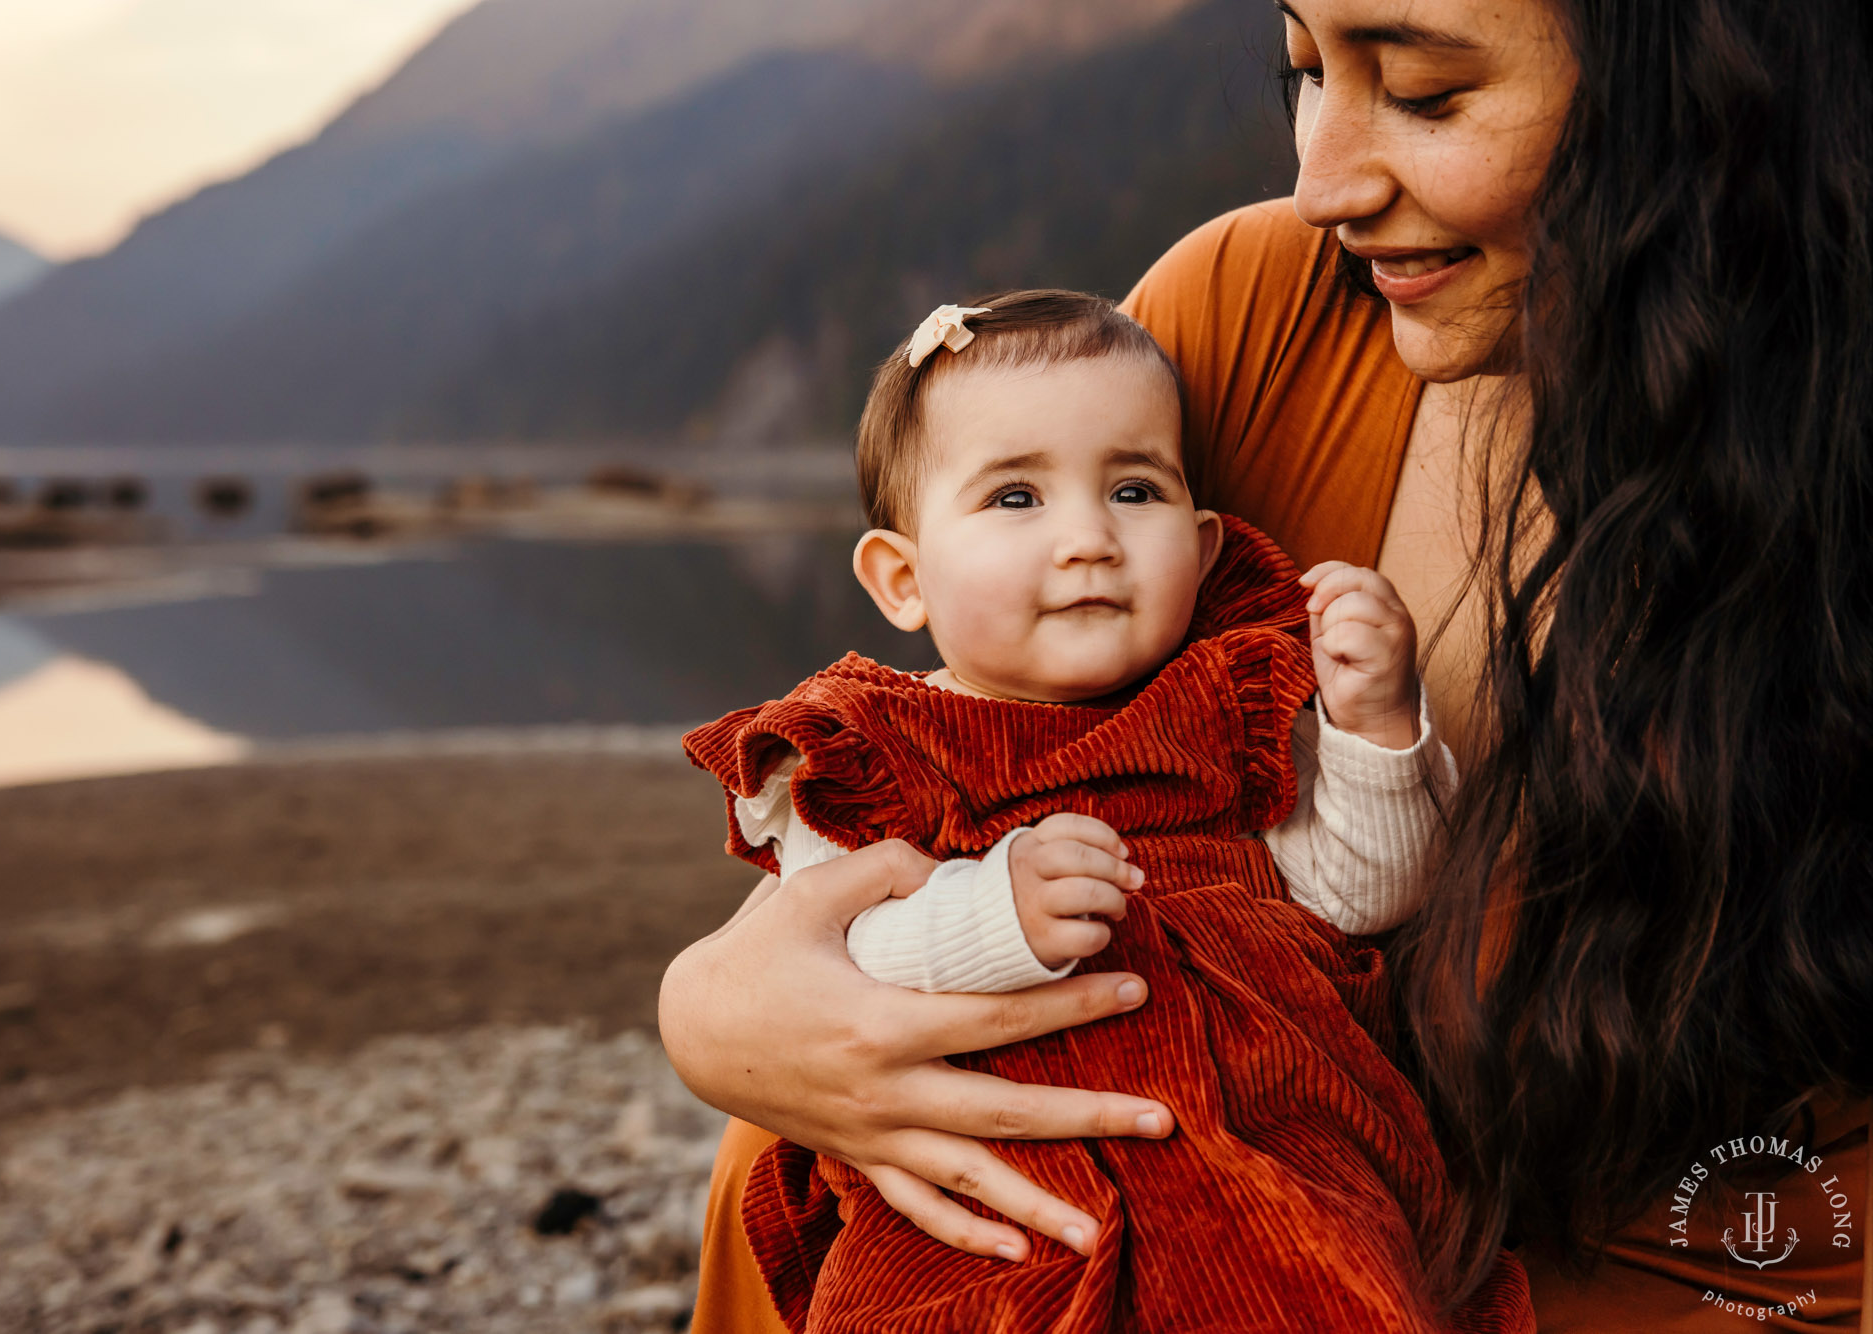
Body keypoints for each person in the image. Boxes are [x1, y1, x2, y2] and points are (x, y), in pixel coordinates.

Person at [661, 0, 1872, 1328]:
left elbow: (1339, 875)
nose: (1322, 182)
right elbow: (956, 689)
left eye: (1422, 93)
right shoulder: (1252, 314)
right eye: (1302, 67)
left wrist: (1374, 739)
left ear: (1704, 94)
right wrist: (713, 1008)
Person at [682, 290, 1524, 1330]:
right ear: (901, 578)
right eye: (1013, 499)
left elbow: (1357, 897)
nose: (1087, 537)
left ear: (1206, 545)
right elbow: (819, 958)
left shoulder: (1233, 702)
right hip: (992, 1193)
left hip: (1268, 1161)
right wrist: (992, 916)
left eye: (1133, 488)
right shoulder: (865, 747)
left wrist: (1374, 728)